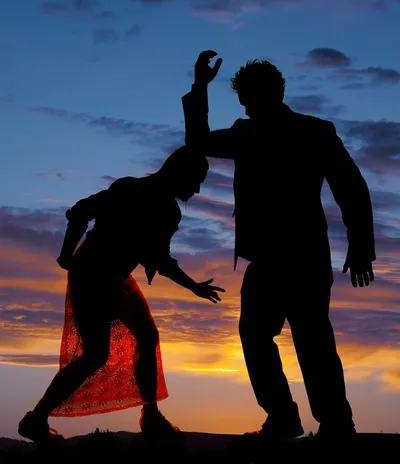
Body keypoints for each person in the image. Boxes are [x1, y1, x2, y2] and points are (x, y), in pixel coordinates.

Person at [181, 50, 375, 440]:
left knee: (310, 339)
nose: (246, 106)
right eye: (242, 101)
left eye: (249, 98)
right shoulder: (251, 133)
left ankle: (329, 421)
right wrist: (200, 88)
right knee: (263, 335)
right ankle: (292, 417)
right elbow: (199, 142)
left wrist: (360, 247)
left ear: (270, 92)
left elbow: (350, 187)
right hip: (275, 259)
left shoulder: (312, 131)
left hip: (301, 257)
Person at [18, 146, 225, 445]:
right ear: (178, 174)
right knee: (96, 354)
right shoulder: (130, 190)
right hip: (91, 272)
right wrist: (66, 253)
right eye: (195, 180)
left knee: (147, 336)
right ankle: (37, 419)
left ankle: (150, 415)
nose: (197, 189)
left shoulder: (168, 210)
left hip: (116, 278)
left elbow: (158, 257)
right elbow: (81, 211)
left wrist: (193, 286)